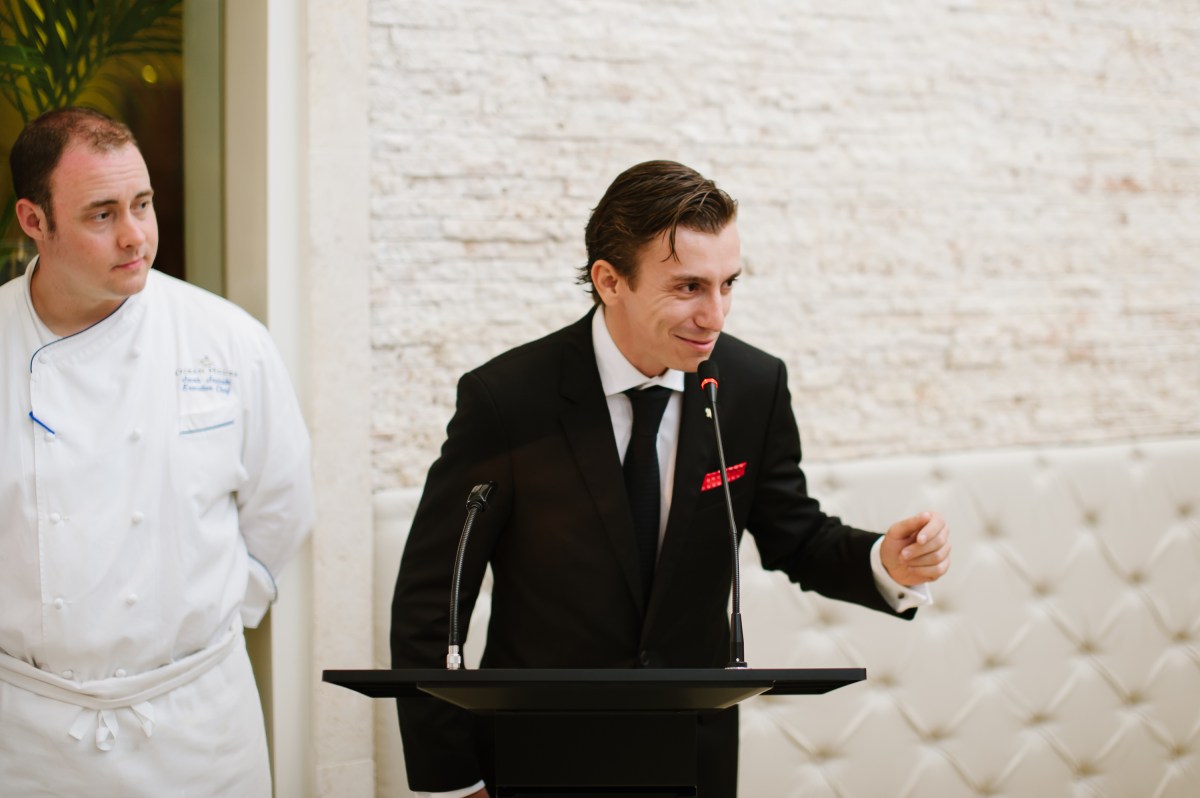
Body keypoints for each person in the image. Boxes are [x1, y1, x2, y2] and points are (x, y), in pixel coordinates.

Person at [390, 160, 951, 797]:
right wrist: (453, 784)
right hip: (536, 757)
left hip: (693, 760)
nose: (715, 315)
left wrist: (884, 561)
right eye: (689, 287)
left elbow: (795, 536)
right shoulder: (506, 399)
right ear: (610, 281)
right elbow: (433, 597)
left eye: (728, 284)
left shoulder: (753, 385)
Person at [0, 107, 313, 795]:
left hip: (198, 725)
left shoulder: (226, 340)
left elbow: (282, 503)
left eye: (142, 204)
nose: (135, 235)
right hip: (29, 735)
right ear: (34, 221)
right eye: (102, 214)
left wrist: (210, 618)